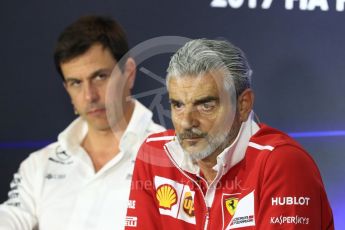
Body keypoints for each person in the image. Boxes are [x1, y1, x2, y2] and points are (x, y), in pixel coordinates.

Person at [125, 39, 334, 229]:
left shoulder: (282, 162)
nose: (187, 122)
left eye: (206, 105)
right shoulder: (155, 155)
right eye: (178, 105)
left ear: (243, 105)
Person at [0, 15, 164, 230]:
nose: (89, 96)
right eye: (76, 82)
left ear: (129, 73)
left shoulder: (172, 159)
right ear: (67, 89)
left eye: (100, 77)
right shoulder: (39, 164)